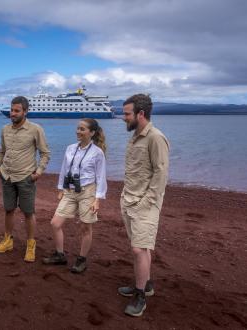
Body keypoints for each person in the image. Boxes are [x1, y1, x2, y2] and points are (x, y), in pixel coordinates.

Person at [118, 94, 170, 317]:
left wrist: (146, 203)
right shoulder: (135, 137)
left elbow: (161, 174)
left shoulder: (156, 138)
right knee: (142, 247)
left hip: (144, 204)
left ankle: (140, 296)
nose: (123, 118)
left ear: (141, 114)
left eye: (127, 113)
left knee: (138, 249)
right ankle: (145, 285)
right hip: (129, 200)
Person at [42, 118, 107, 274]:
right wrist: (61, 188)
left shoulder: (97, 153)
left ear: (92, 133)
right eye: (78, 128)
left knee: (86, 227)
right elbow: (65, 169)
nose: (78, 131)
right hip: (70, 191)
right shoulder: (71, 148)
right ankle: (59, 255)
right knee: (55, 223)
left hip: (88, 192)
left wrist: (97, 199)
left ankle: (82, 260)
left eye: (82, 129)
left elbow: (101, 176)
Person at [0, 96, 50, 262]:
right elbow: (2, 150)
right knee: (9, 209)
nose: (13, 113)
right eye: (12, 110)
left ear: (25, 111)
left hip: (26, 177)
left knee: (28, 212)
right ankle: (7, 241)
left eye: (17, 110)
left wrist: (38, 172)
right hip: (7, 176)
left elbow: (45, 153)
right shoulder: (5, 129)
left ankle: (31, 245)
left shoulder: (35, 129)